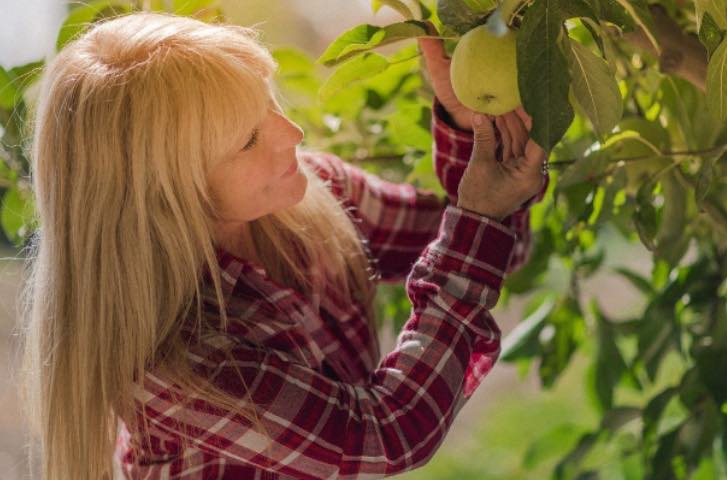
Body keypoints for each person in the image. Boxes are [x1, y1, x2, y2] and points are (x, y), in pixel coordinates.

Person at [18, 11, 548, 480]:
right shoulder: (173, 363)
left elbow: (493, 247)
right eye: (248, 138)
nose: (292, 132)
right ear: (167, 193)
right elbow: (386, 434)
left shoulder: (309, 195)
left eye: (267, 100)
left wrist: (470, 125)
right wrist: (480, 216)